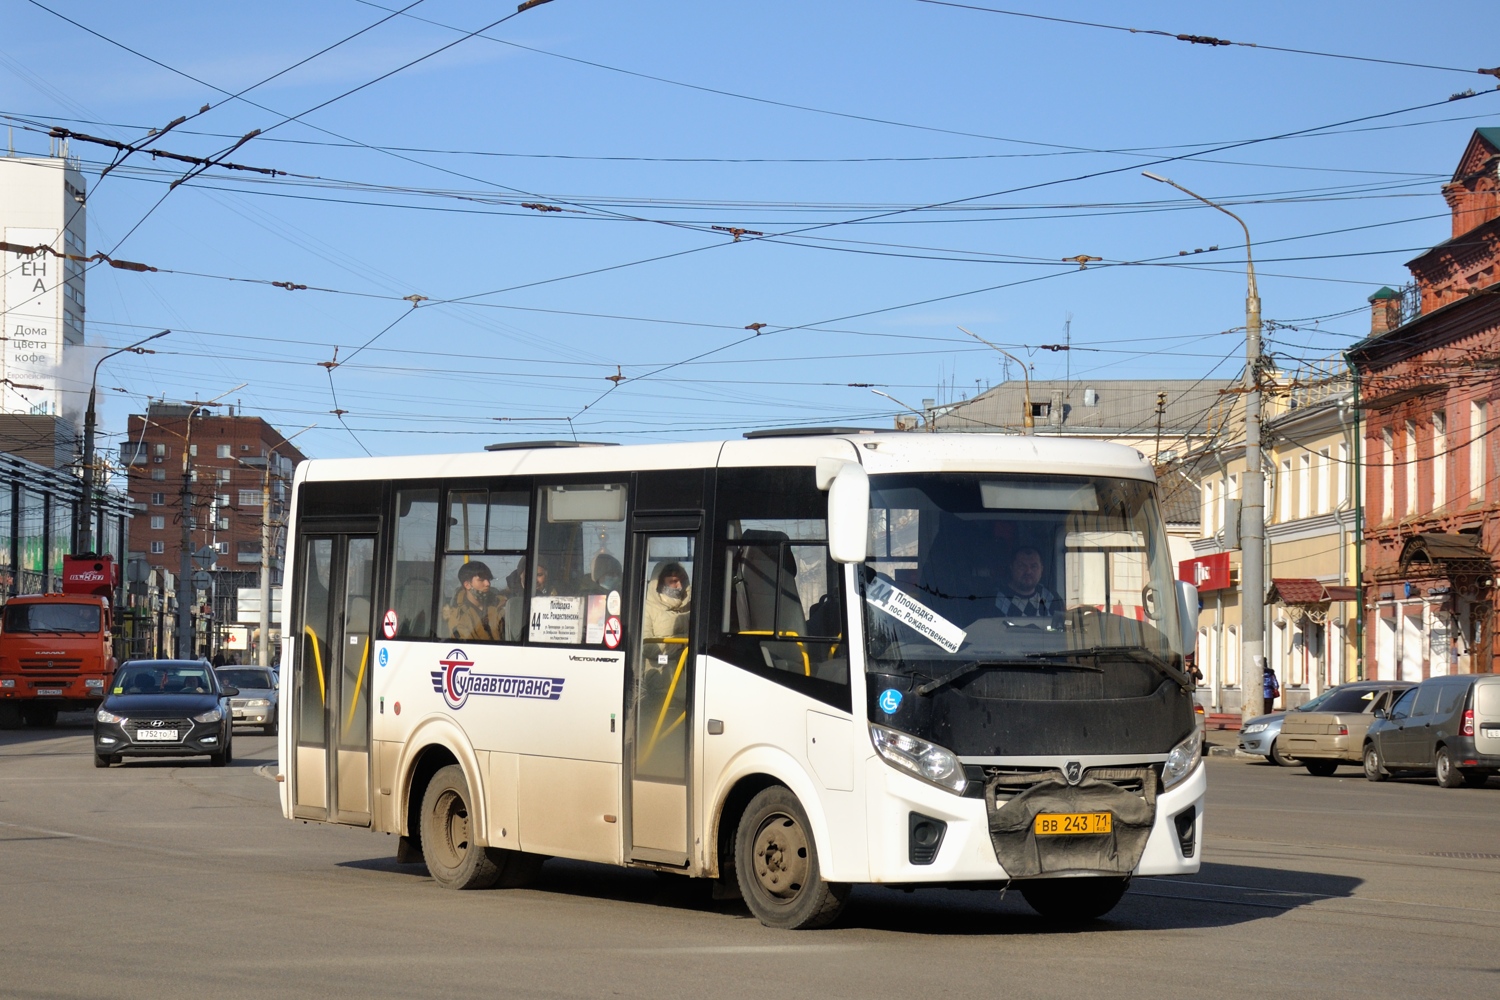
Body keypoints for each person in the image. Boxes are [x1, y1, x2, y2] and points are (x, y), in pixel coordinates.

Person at [441, 560, 505, 642]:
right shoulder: (457, 616)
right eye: (481, 580)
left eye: (488, 579)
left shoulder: (501, 606)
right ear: (467, 585)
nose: (487, 583)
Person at [993, 545, 1059, 617]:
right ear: (1012, 567)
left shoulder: (1051, 597)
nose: (1028, 571)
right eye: (1022, 566)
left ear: (1041, 569)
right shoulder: (995, 600)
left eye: (1034, 566)